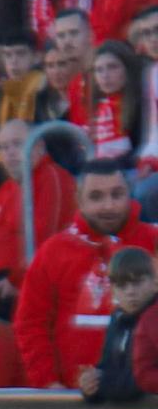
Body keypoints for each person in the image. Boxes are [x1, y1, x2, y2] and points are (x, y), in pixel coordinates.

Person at [15, 161, 158, 388]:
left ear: (130, 195)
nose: (108, 206)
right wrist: (48, 383)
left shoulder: (153, 241)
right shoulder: (54, 251)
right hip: (72, 400)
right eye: (96, 197)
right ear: (79, 200)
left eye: (117, 194)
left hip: (146, 401)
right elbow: (31, 323)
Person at [0, 116, 78, 318]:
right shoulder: (5, 190)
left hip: (24, 290)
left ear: (38, 146)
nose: (10, 152)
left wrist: (15, 281)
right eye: (4, 147)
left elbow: (46, 237)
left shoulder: (52, 178)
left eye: (17, 144)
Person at [81, 247, 158, 402]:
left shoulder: (154, 319)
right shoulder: (118, 319)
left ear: (154, 283)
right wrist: (91, 383)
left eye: (138, 283)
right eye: (122, 285)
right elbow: (109, 365)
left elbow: (141, 380)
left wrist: (103, 385)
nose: (130, 292)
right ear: (113, 291)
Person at [85, 40, 146, 164]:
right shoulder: (97, 108)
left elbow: (144, 149)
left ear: (127, 70)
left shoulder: (142, 105)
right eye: (99, 70)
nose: (105, 75)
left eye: (112, 67)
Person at [0, 33, 52, 128]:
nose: (13, 61)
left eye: (20, 54)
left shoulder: (44, 88)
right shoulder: (0, 91)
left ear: (37, 57)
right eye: (8, 55)